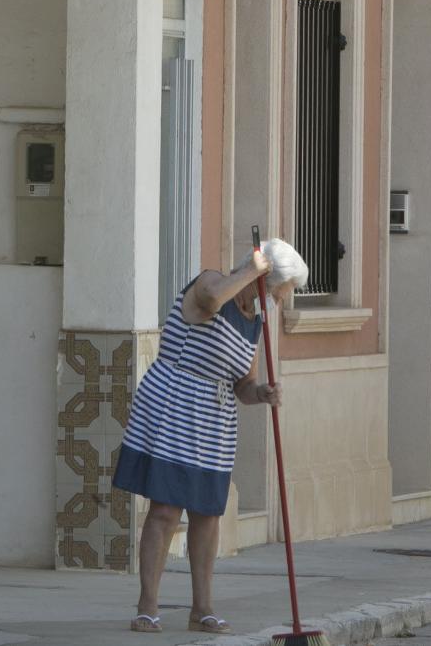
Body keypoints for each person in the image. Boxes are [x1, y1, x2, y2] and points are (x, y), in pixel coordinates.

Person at [112, 239, 308, 634]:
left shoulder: (255, 322)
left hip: (215, 419)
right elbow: (214, 301)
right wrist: (252, 269)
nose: (286, 299)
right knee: (166, 509)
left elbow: (243, 382)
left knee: (207, 514)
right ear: (267, 278)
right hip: (175, 403)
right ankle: (147, 605)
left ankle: (202, 608)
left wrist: (261, 394)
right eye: (285, 289)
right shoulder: (211, 281)